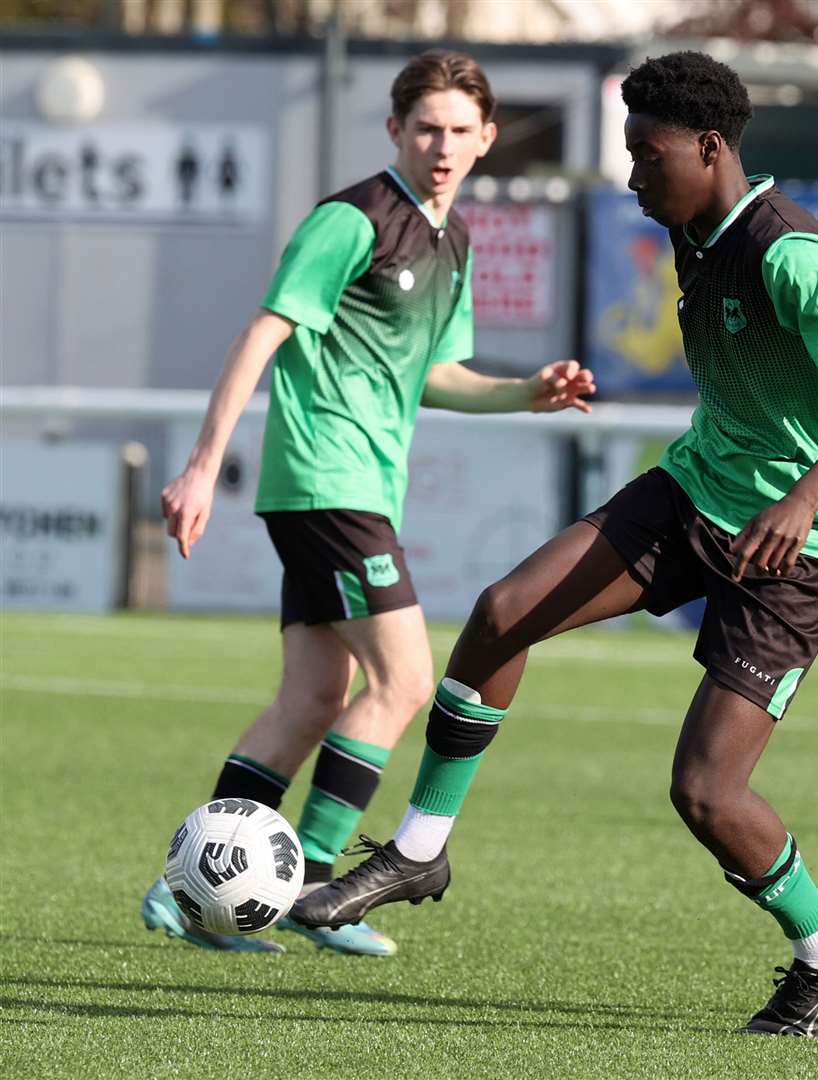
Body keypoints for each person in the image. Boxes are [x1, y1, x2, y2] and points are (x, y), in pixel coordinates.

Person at [291, 51, 818, 1036]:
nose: (631, 174)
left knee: (706, 793)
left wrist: (800, 502)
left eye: (646, 152)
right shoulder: (690, 227)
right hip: (693, 490)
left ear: (709, 149)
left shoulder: (785, 251)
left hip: (796, 546)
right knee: (503, 614)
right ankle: (420, 848)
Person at [141, 50, 596, 957]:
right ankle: (310, 884)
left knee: (315, 695)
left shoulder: (452, 240)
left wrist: (525, 392)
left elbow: (436, 375)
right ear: (394, 130)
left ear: (487, 140)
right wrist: (201, 464)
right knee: (407, 681)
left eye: (460, 131)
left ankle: (181, 894)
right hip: (324, 479)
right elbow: (263, 330)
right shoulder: (351, 221)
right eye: (426, 127)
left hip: (350, 486)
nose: (442, 145)